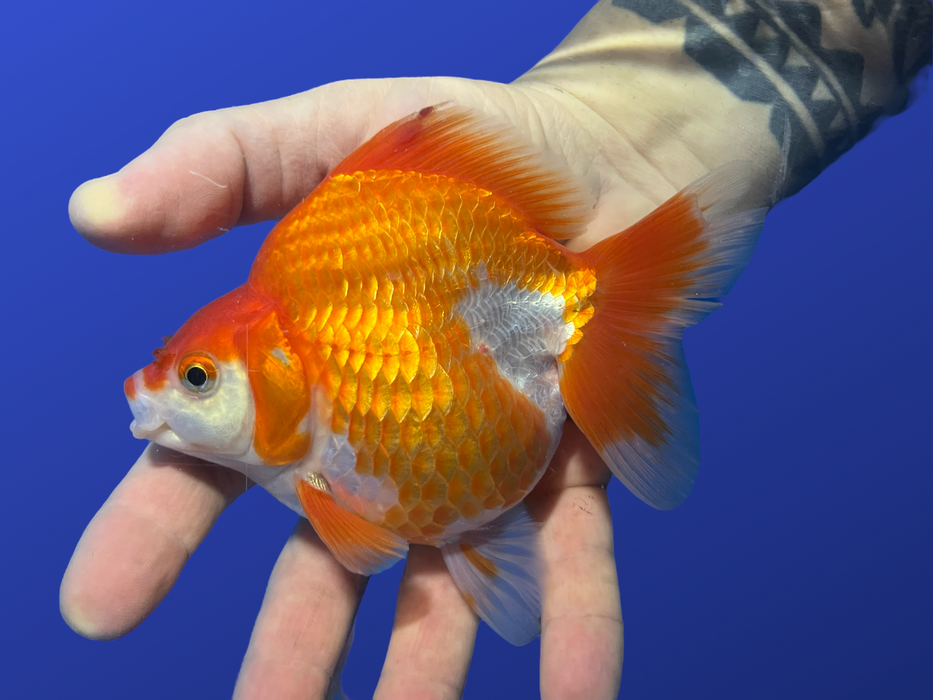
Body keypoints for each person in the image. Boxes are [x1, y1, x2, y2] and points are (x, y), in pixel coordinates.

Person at [62, 1, 931, 698]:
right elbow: (367, 540)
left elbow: (366, 542)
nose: (171, 398)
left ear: (284, 364)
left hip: (516, 274)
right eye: (194, 379)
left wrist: (637, 119)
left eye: (201, 379)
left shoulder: (309, 307)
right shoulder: (298, 392)